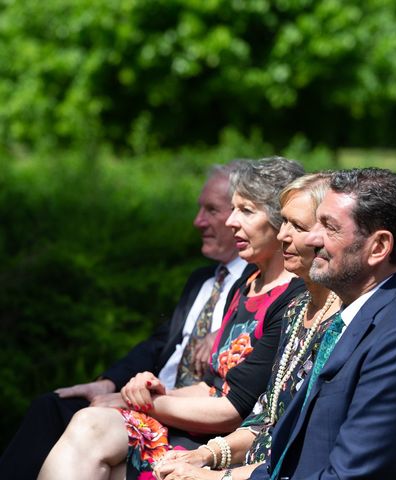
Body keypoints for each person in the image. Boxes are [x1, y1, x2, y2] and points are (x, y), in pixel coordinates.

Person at [37, 157, 306, 480]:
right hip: (198, 427)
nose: (232, 221)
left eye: (246, 211)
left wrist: (141, 403)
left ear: (282, 221)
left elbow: (232, 408)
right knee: (87, 421)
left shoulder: (293, 297)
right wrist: (146, 391)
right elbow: (211, 385)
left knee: (90, 428)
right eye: (232, 209)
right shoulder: (248, 285)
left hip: (226, 446)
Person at [0, 161, 253, 480]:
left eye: (211, 210)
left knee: (90, 422)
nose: (197, 221)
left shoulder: (256, 282)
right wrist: (108, 382)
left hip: (185, 412)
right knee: (49, 407)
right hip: (147, 392)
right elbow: (160, 343)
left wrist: (220, 335)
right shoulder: (202, 279)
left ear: (240, 216)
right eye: (199, 209)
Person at [250, 168, 396, 480]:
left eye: (330, 227)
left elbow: (351, 476)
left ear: (378, 247)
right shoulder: (353, 317)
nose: (312, 238)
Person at [152, 173, 342, 480]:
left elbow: (306, 457)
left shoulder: (342, 324)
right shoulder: (298, 309)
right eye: (284, 222)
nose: (283, 235)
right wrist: (204, 456)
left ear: (330, 235)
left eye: (297, 226)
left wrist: (213, 474)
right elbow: (265, 420)